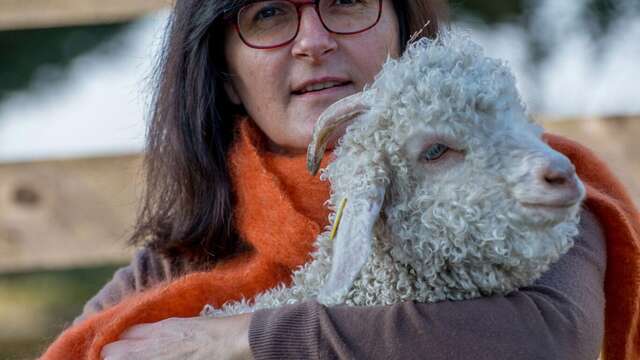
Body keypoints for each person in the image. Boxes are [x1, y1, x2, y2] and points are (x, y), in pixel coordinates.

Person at [42, 0, 640, 359]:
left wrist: (246, 337)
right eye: (269, 13)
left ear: (405, 29)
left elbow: (540, 340)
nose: (314, 41)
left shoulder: (526, 184)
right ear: (225, 74)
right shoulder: (182, 257)